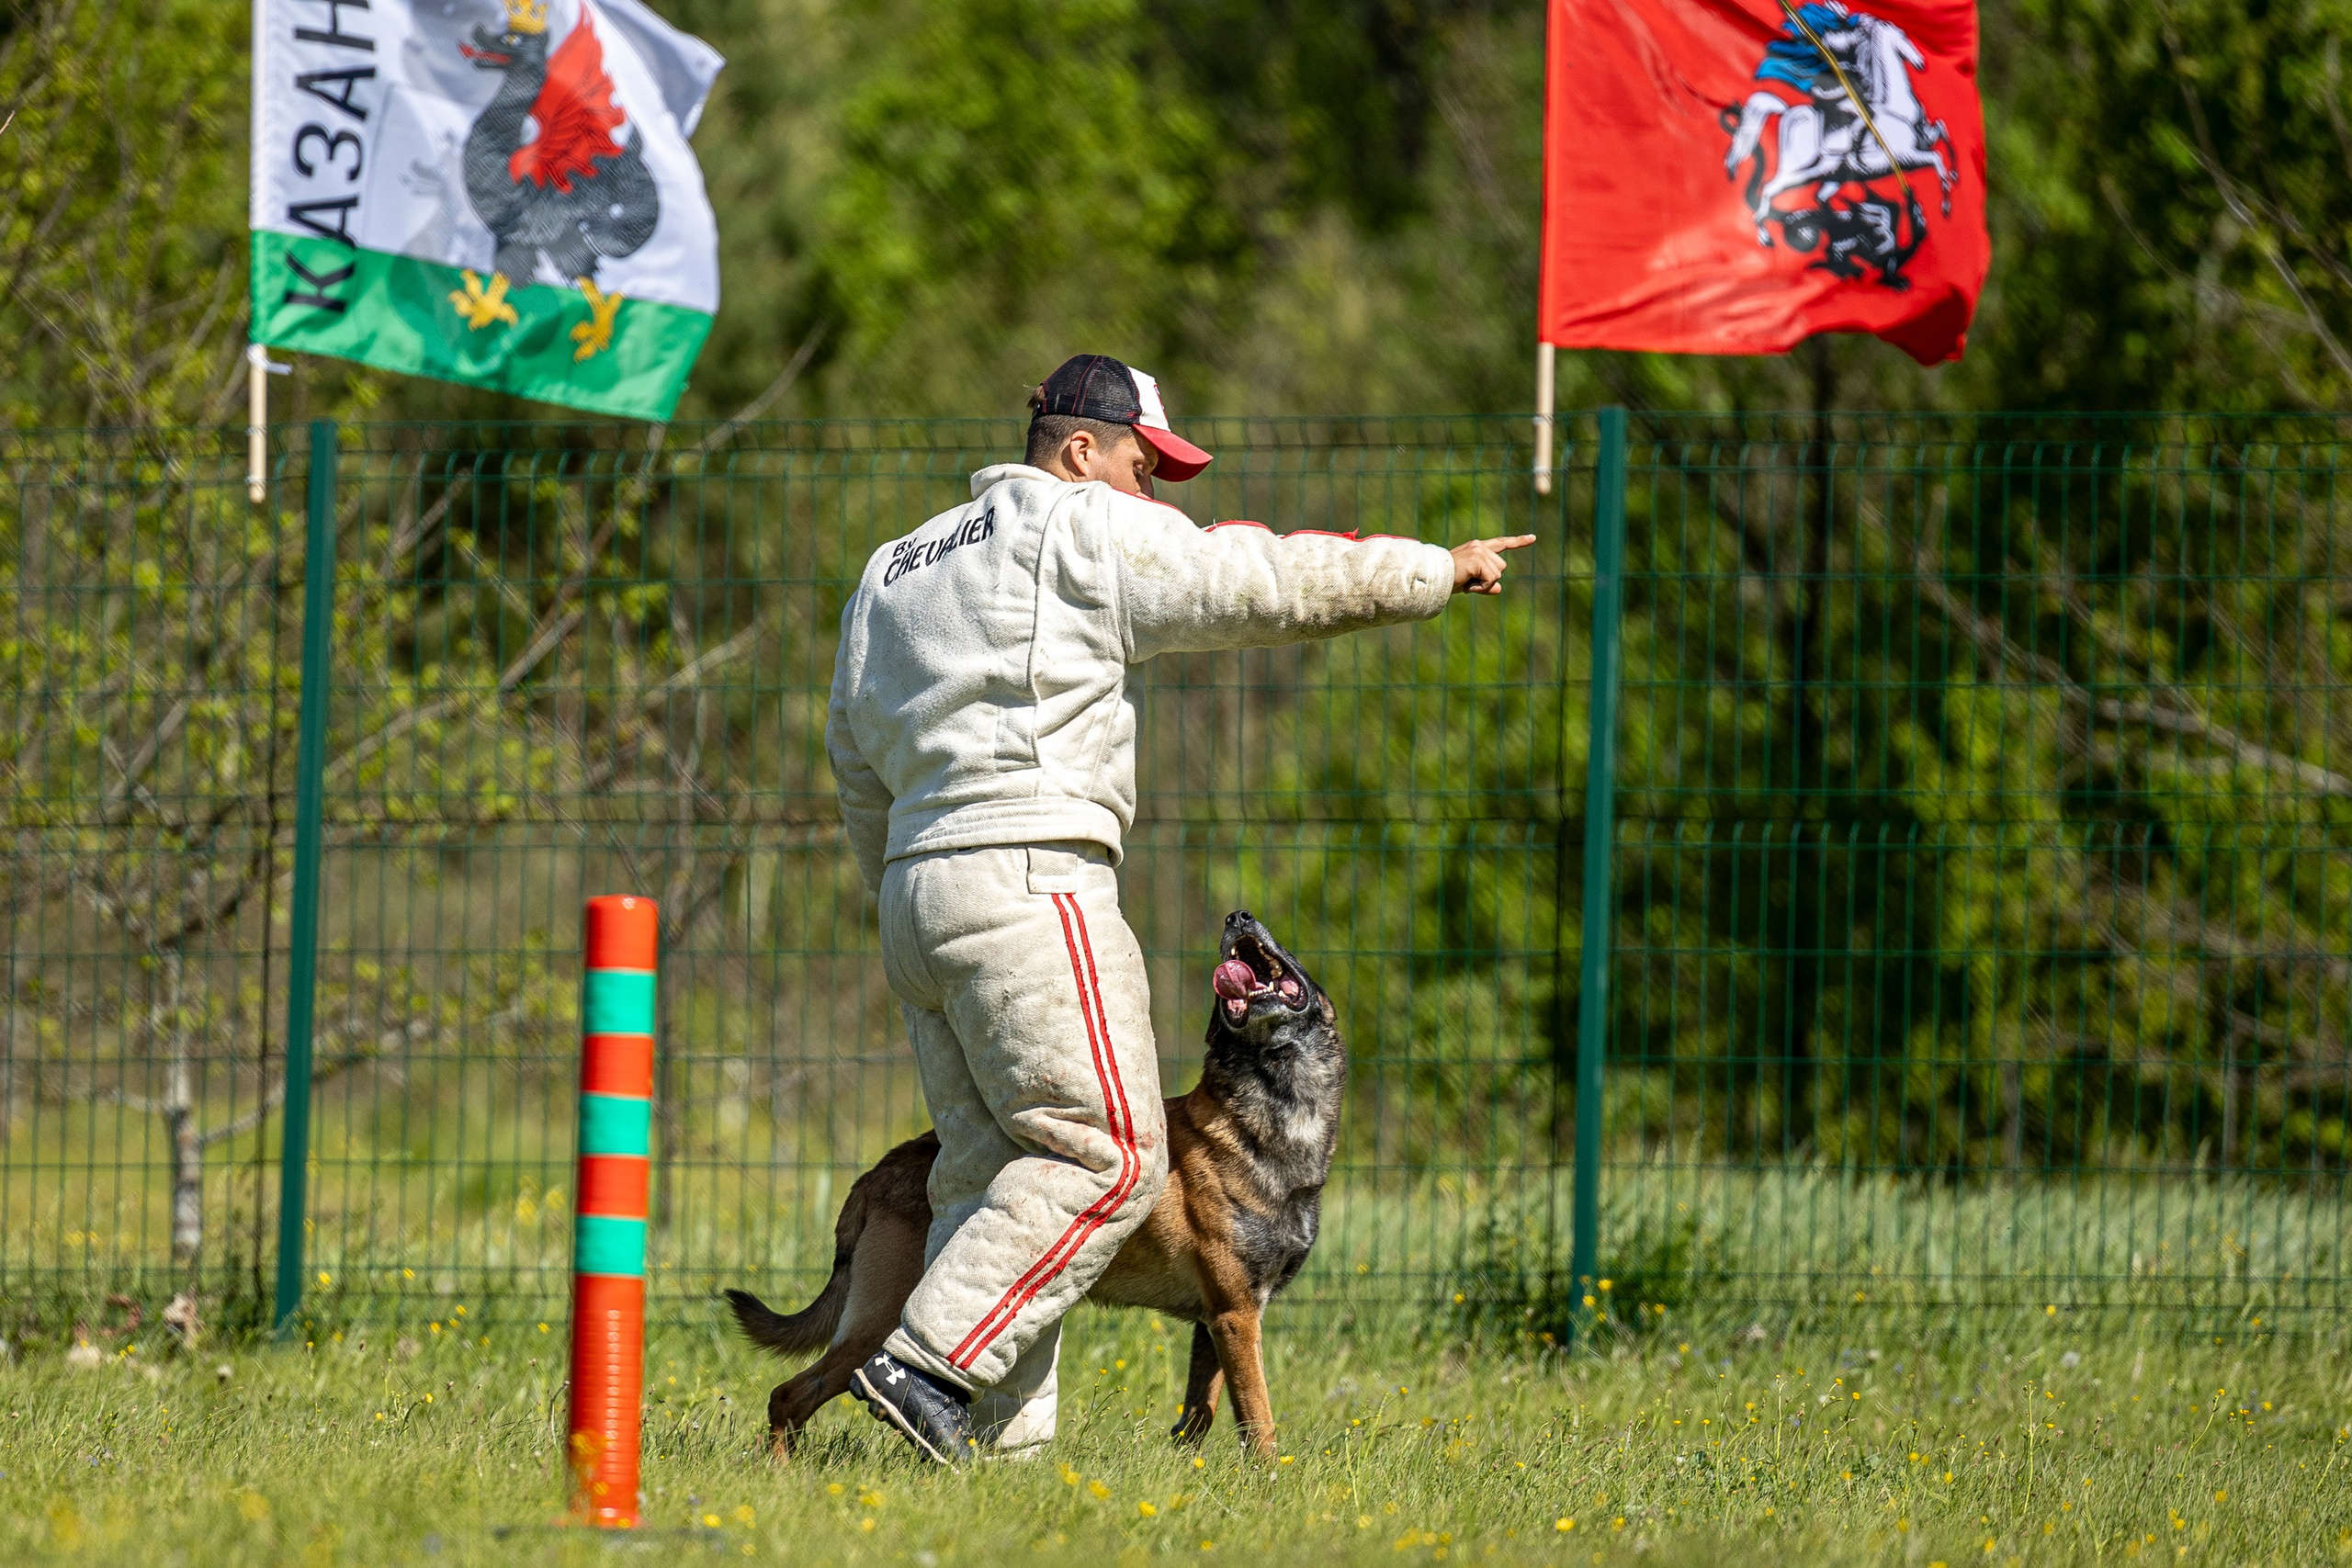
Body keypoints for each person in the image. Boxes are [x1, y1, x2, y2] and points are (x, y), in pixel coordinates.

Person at [824, 354, 1533, 1462]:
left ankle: (1002, 1459)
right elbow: (1257, 576)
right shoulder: (1074, 524)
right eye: (1145, 466)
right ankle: (928, 1368)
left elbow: (851, 756)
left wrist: (899, 883)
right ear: (1077, 452)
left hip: (918, 892)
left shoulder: (893, 568)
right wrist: (1432, 571)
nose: (1153, 494)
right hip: (1031, 875)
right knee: (1110, 1157)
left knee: (989, 1170)